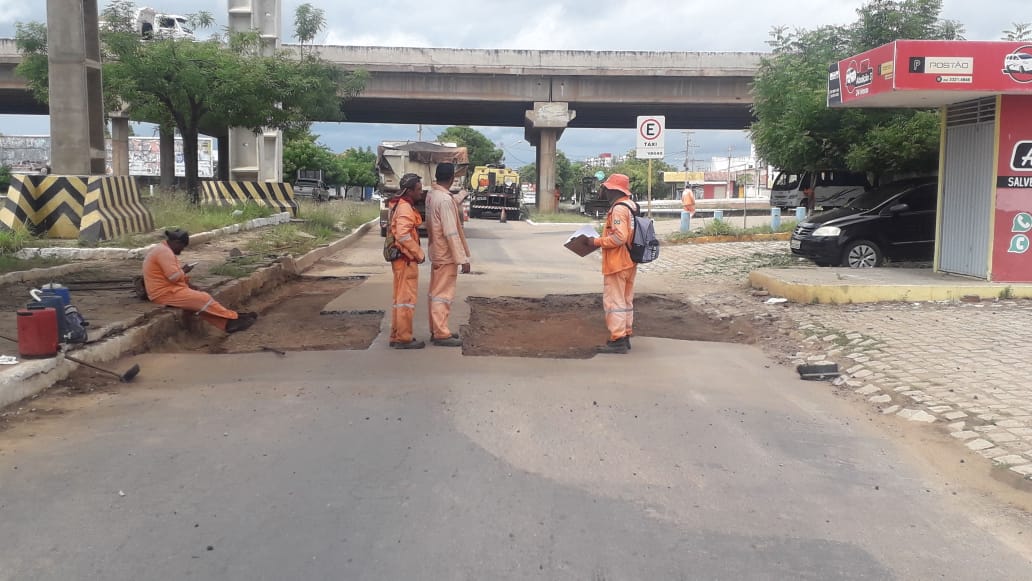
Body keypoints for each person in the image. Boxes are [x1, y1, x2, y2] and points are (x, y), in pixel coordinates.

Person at [142, 229, 256, 333]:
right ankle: (233, 318)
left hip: (169, 289)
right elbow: (174, 276)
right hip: (163, 293)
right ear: (176, 242)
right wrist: (185, 270)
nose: (181, 250)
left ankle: (229, 322)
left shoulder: (163, 250)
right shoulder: (164, 252)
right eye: (182, 247)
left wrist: (190, 286)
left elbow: (173, 276)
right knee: (203, 299)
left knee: (200, 304)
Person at [587, 174, 638, 354]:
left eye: (607, 189)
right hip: (631, 259)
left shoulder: (618, 209)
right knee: (625, 300)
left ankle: (617, 339)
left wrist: (596, 242)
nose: (605, 192)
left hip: (618, 261)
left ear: (614, 190)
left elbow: (619, 237)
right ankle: (625, 334)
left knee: (614, 302)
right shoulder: (631, 206)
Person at [424, 162, 471, 347]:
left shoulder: (433, 195)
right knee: (442, 295)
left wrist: (460, 196)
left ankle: (437, 329)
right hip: (446, 255)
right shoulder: (443, 200)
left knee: (436, 293)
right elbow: (451, 232)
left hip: (437, 252)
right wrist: (463, 259)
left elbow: (447, 205)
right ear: (452, 179)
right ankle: (441, 334)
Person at [387, 173, 427, 349]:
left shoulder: (400, 205)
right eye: (418, 189)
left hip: (401, 261)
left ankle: (397, 335)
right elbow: (403, 235)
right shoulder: (404, 208)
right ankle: (404, 338)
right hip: (406, 261)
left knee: (400, 301)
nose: (421, 192)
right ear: (409, 191)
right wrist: (419, 253)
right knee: (406, 300)